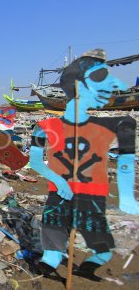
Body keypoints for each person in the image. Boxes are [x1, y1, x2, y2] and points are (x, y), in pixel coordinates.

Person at [30, 49, 138, 281]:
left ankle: (86, 266)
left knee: (102, 251)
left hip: (92, 195)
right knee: (52, 249)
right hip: (58, 195)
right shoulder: (44, 126)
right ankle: (51, 263)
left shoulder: (117, 125)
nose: (112, 84)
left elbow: (127, 159)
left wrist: (127, 196)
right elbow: (34, 161)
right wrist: (58, 180)